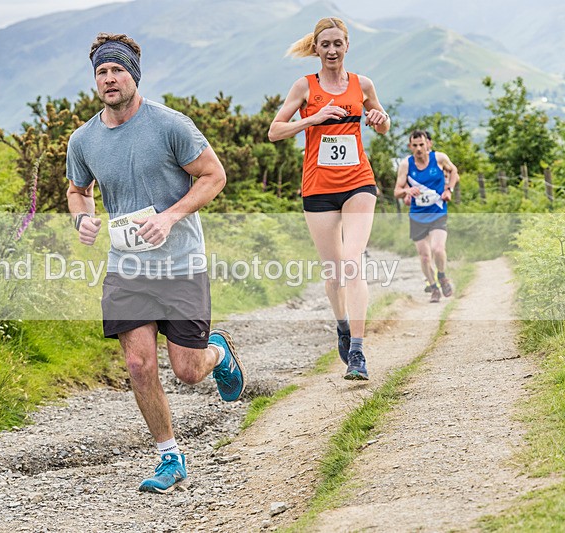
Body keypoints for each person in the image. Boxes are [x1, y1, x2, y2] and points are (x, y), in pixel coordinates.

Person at [66, 33, 246, 494]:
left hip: (181, 263)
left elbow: (214, 175)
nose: (109, 79)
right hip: (127, 267)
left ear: (134, 75)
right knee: (139, 363)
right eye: (102, 72)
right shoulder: (83, 139)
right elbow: (77, 190)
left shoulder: (170, 125)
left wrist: (170, 217)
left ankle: (218, 352)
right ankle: (170, 456)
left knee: (187, 370)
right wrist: (82, 219)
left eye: (117, 70)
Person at [268, 17, 390, 381]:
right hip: (318, 187)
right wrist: (313, 118)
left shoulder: (362, 84)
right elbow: (275, 131)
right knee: (334, 273)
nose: (332, 50)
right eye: (326, 44)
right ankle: (342, 326)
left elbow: (383, 124)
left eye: (338, 43)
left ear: (347, 46)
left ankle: (358, 351)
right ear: (316, 48)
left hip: (358, 182)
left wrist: (380, 118)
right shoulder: (304, 86)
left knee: (352, 262)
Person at [394, 130, 459, 303]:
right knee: (424, 256)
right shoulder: (406, 165)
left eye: (421, 145)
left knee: (438, 249)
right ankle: (434, 287)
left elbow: (454, 171)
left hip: (438, 212)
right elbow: (397, 191)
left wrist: (449, 190)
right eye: (415, 145)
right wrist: (407, 191)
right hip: (417, 216)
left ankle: (442, 276)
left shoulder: (439, 158)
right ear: (410, 146)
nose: (418, 149)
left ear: (428, 144)